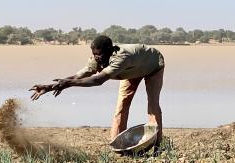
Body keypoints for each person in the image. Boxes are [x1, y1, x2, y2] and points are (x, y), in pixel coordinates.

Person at [30, 35, 165, 151]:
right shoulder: (96, 59)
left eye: (99, 54)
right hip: (130, 71)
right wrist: (49, 87)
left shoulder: (121, 58)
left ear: (109, 51)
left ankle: (158, 144)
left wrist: (67, 84)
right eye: (94, 54)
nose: (96, 58)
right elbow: (78, 77)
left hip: (152, 65)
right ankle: (117, 145)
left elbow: (98, 80)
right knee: (121, 107)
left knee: (153, 106)